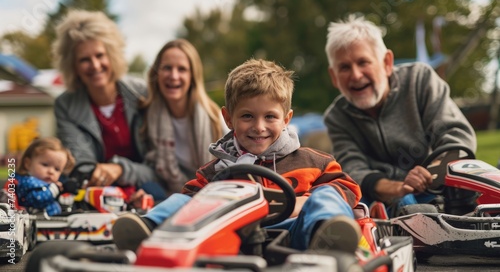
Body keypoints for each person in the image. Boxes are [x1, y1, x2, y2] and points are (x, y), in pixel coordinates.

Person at [112, 59, 362, 254]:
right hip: (233, 239)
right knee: (186, 200)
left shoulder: (311, 161)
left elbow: (348, 187)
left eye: (270, 117)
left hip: (297, 235)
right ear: (228, 118)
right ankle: (149, 229)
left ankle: (331, 237)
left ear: (286, 119)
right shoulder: (217, 171)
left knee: (328, 193)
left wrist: (302, 203)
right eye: (247, 116)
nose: (259, 127)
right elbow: (189, 199)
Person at [323, 15, 477, 216]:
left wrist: (429, 174)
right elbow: (352, 169)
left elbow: (456, 134)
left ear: (387, 62)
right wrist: (397, 188)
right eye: (344, 67)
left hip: (439, 188)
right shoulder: (336, 117)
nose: (356, 75)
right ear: (334, 77)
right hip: (383, 198)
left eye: (363, 62)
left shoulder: (420, 80)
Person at [52, 10, 155, 201]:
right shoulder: (65, 105)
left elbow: (159, 166)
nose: (95, 65)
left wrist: (120, 169)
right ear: (73, 65)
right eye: (84, 59)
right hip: (98, 189)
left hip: (147, 186)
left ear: (112, 55)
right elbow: (82, 165)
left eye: (100, 55)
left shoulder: (143, 94)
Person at [141, 39, 227, 196]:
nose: (174, 76)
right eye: (167, 68)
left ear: (193, 75)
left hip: (213, 193)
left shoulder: (213, 117)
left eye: (182, 69)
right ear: (157, 73)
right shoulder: (149, 115)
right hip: (171, 193)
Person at [15, 137, 75, 216]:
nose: (51, 171)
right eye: (45, 165)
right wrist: (53, 190)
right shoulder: (28, 182)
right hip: (35, 222)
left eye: (57, 169)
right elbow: (36, 199)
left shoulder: (46, 185)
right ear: (28, 164)